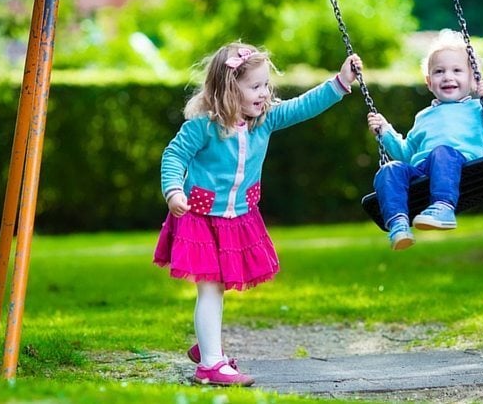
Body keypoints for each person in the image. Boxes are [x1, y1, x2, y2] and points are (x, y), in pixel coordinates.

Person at [154, 41, 362, 386]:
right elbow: (173, 156)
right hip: (201, 218)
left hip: (238, 218)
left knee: (215, 289)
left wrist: (339, 83)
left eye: (267, 85)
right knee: (210, 289)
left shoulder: (262, 122)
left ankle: (208, 348)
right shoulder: (202, 127)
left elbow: (302, 106)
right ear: (227, 89)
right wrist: (174, 190)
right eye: (255, 87)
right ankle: (210, 364)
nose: (264, 93)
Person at [367, 29, 483, 250]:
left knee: (442, 152)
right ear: (429, 82)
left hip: (464, 166)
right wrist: (386, 131)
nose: (448, 76)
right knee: (389, 170)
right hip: (424, 170)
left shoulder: (479, 108)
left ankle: (443, 207)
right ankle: (398, 224)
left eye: (457, 70)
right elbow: (406, 154)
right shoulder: (423, 117)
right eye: (439, 71)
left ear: (474, 80)